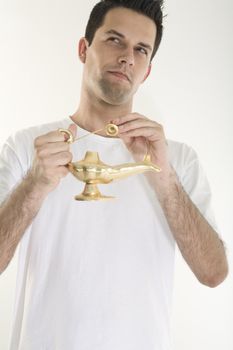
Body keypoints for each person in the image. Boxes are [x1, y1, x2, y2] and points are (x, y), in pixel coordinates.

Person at [0, 0, 228, 349]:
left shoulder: (176, 158)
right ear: (83, 49)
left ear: (147, 70)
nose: (127, 57)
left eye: (141, 49)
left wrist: (163, 177)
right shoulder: (26, 148)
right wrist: (34, 185)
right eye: (115, 40)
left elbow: (214, 273)